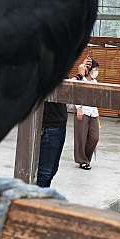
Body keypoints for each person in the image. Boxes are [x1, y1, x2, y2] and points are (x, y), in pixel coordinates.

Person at [36, 56, 91, 188]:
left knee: (52, 168)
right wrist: (79, 74)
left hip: (58, 124)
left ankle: (42, 196)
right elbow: (63, 90)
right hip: (49, 126)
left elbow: (65, 86)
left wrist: (81, 73)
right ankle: (38, 201)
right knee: (45, 171)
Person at [74, 59, 100, 170]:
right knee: (81, 138)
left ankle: (86, 158)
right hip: (83, 111)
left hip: (93, 113)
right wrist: (78, 108)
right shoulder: (81, 80)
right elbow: (74, 94)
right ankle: (82, 160)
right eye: (95, 69)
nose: (97, 71)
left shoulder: (95, 82)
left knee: (94, 137)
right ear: (89, 70)